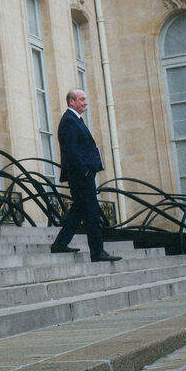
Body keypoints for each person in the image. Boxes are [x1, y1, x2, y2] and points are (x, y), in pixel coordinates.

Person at [49, 88, 121, 262]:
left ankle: (59, 244)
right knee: (92, 213)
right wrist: (85, 171)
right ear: (71, 101)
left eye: (85, 99)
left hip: (83, 174)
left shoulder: (75, 119)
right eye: (82, 99)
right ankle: (97, 252)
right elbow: (71, 150)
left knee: (79, 209)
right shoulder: (69, 120)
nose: (85, 102)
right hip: (80, 175)